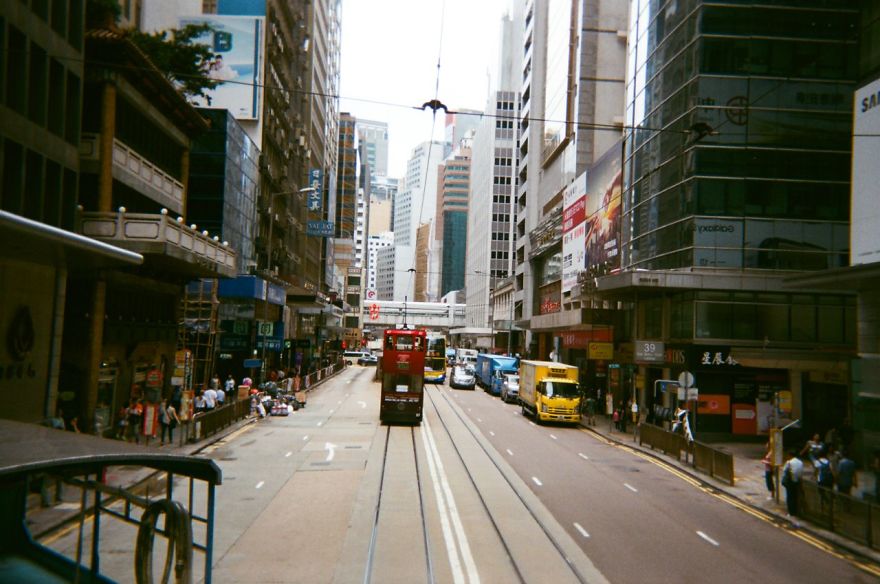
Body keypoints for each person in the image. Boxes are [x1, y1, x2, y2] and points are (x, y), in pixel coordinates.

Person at [782, 450, 804, 525]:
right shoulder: (800, 462)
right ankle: (796, 511)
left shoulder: (789, 462)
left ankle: (791, 513)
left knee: (790, 497)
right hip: (797, 481)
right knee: (795, 496)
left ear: (790, 455)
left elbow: (784, 470)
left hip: (790, 482)